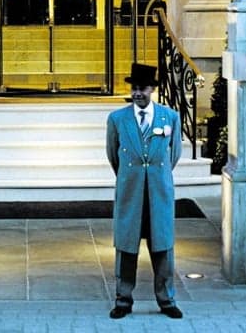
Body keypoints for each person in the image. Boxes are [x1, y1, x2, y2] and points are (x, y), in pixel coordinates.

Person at [106, 62, 181, 320]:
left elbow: (174, 155)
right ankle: (123, 300)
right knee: (126, 247)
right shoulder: (117, 119)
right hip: (131, 192)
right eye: (134, 89)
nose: (138, 93)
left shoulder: (170, 117)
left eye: (143, 89)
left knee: (163, 247)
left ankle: (167, 300)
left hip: (159, 193)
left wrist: (156, 176)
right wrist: (133, 176)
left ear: (152, 89)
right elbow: (113, 155)